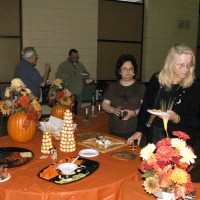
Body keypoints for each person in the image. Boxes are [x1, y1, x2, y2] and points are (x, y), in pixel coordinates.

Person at [127, 44, 200, 147]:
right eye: (181, 65)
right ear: (171, 63)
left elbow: (195, 120)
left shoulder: (193, 87)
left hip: (179, 139)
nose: (186, 69)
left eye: (189, 65)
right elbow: (146, 107)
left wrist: (177, 118)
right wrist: (139, 130)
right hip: (155, 133)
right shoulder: (157, 80)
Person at [102, 54, 145, 139]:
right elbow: (104, 104)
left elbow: (145, 109)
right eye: (124, 68)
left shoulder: (140, 87)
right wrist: (113, 110)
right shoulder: (113, 86)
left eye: (131, 68)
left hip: (134, 132)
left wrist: (133, 113)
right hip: (114, 131)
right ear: (119, 71)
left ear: (134, 71)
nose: (128, 71)